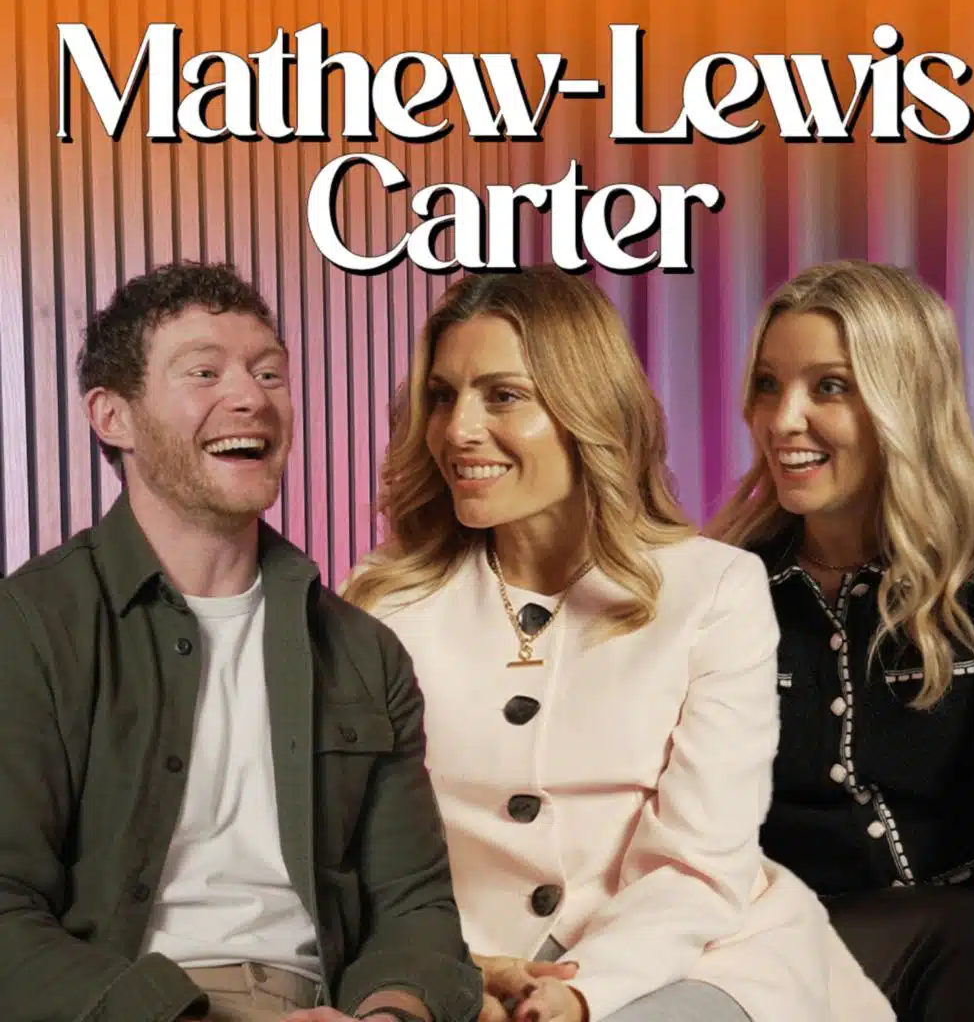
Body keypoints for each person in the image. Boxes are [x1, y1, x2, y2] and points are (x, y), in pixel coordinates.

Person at [341, 266, 894, 1022]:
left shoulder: (715, 588)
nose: (459, 429)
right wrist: (461, 971)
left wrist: (578, 992)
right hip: (465, 975)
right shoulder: (382, 603)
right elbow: (348, 856)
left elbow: (699, 864)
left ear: (586, 407)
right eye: (442, 396)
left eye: (502, 396)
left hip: (697, 960)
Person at [0, 262, 482, 1022]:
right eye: (204, 372)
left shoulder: (364, 652)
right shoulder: (30, 627)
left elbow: (415, 911)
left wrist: (388, 1016)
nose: (250, 398)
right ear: (112, 416)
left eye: (268, 373)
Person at [706, 259, 974, 1022]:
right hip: (774, 963)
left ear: (905, 400)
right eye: (767, 385)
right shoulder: (720, 590)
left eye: (830, 387)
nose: (783, 420)